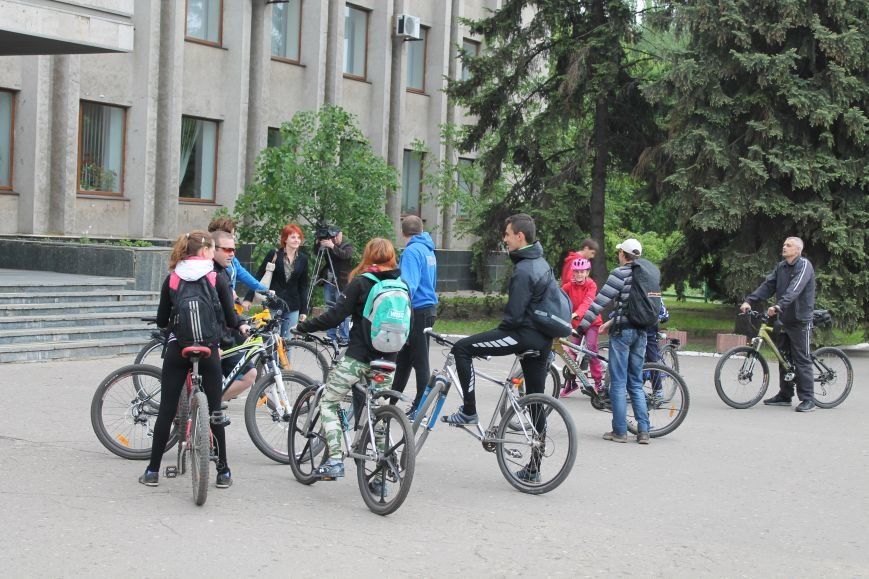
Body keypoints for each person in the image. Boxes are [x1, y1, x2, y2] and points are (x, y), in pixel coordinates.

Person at [444, 214, 552, 482]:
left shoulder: (524, 270)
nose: (504, 239)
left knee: (462, 349)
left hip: (522, 336)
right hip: (543, 339)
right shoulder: (542, 263)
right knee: (536, 401)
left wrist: (490, 340)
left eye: (507, 234)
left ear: (520, 236)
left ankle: (468, 411)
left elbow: (513, 319)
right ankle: (534, 469)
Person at [139, 231, 249, 489]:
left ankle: (152, 470)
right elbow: (231, 319)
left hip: (179, 349)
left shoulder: (173, 278)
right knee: (214, 410)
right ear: (203, 251)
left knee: (167, 408)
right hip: (209, 349)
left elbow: (162, 320)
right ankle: (223, 472)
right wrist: (241, 326)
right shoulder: (215, 277)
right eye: (211, 249)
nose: (213, 254)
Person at [294, 238, 403, 482]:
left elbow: (334, 316)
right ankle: (378, 478)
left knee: (329, 402)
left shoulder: (362, 282)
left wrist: (304, 327)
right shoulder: (401, 285)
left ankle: (334, 460)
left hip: (359, 358)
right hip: (388, 361)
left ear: (369, 256)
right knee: (379, 415)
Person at [578, 238, 653, 445]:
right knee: (636, 383)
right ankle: (644, 431)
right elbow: (634, 306)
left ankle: (620, 431)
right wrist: (611, 321)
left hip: (623, 333)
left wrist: (582, 326)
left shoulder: (619, 274)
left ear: (623, 254)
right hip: (641, 332)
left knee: (618, 383)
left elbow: (598, 303)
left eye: (619, 251)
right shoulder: (646, 274)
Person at [740, 236, 817, 412]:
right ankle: (785, 394)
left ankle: (808, 399)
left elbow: (794, 289)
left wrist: (779, 305)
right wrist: (749, 301)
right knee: (784, 358)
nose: (784, 247)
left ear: (797, 250)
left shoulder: (804, 265)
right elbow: (768, 286)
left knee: (801, 358)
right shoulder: (781, 267)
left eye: (788, 245)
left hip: (800, 320)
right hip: (784, 319)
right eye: (783, 244)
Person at [392, 215, 438, 413]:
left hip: (416, 310)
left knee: (420, 360)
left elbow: (409, 285)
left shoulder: (411, 251)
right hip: (427, 308)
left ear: (403, 233)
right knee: (404, 358)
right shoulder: (428, 249)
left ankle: (420, 406)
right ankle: (390, 402)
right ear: (420, 230)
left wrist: (399, 307)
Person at [211, 230, 257, 402]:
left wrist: (241, 323)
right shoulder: (211, 274)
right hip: (212, 339)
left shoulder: (224, 272)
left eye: (234, 250)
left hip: (224, 335)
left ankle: (209, 403)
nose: (231, 254)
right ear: (213, 249)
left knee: (250, 374)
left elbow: (228, 307)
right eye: (227, 249)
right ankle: (204, 405)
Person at [246, 223, 309, 339]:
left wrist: (304, 310)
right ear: (285, 239)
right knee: (271, 341)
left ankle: (286, 358)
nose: (297, 240)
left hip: (293, 306)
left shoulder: (303, 259)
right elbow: (258, 276)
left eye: (299, 237)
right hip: (273, 304)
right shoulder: (274, 255)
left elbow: (303, 286)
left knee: (288, 342)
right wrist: (248, 298)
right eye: (293, 237)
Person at [560, 257, 603, 397]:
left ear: (587, 272)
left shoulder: (591, 285)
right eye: (576, 272)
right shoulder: (568, 286)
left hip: (591, 322)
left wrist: (576, 314)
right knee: (571, 353)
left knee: (591, 350)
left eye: (582, 272)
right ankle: (571, 383)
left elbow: (587, 303)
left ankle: (598, 383)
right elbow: (558, 297)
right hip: (575, 324)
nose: (579, 274)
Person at [208, 217, 270, 297]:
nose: (234, 237)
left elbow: (246, 277)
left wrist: (265, 291)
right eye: (232, 234)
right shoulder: (208, 262)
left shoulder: (233, 260)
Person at [317, 228, 354, 346]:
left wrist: (332, 246)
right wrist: (319, 242)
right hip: (329, 281)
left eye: (337, 236)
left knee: (343, 308)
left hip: (342, 282)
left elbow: (346, 256)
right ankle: (330, 336)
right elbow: (316, 252)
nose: (335, 239)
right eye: (333, 237)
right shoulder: (328, 243)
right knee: (329, 308)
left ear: (340, 234)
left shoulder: (347, 245)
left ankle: (344, 337)